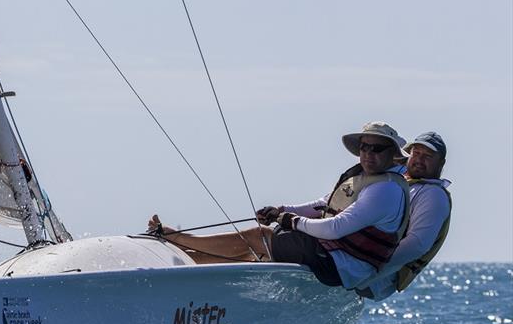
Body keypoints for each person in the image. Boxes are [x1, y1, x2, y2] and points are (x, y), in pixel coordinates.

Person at [149, 121, 410, 290]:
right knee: (256, 250)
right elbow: (324, 205)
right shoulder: (365, 178)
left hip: (344, 266)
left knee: (260, 237)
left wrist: (291, 221)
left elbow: (335, 228)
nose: (368, 154)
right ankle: (185, 266)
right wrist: (281, 209)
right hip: (333, 255)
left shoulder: (385, 190)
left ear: (392, 155)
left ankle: (177, 238)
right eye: (364, 148)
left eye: (376, 149)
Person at [354, 132, 452, 300]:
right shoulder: (400, 181)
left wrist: (367, 272)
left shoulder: (433, 194)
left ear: (441, 163)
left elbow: (416, 245)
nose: (420, 160)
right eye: (416, 153)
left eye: (428, 156)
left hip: (373, 279)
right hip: (356, 264)